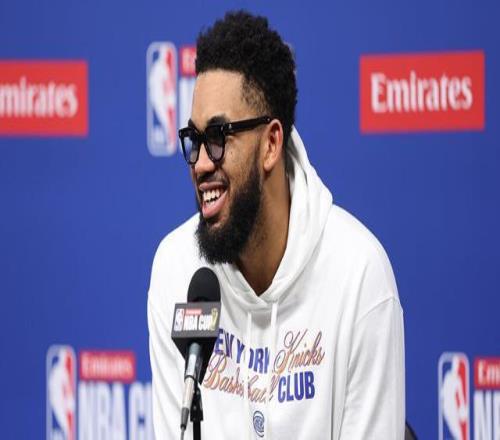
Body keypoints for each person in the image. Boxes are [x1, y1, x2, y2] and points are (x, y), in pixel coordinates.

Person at [147, 10, 405, 440]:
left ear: (270, 143)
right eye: (195, 139)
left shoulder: (359, 275)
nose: (201, 163)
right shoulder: (176, 268)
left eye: (219, 136)